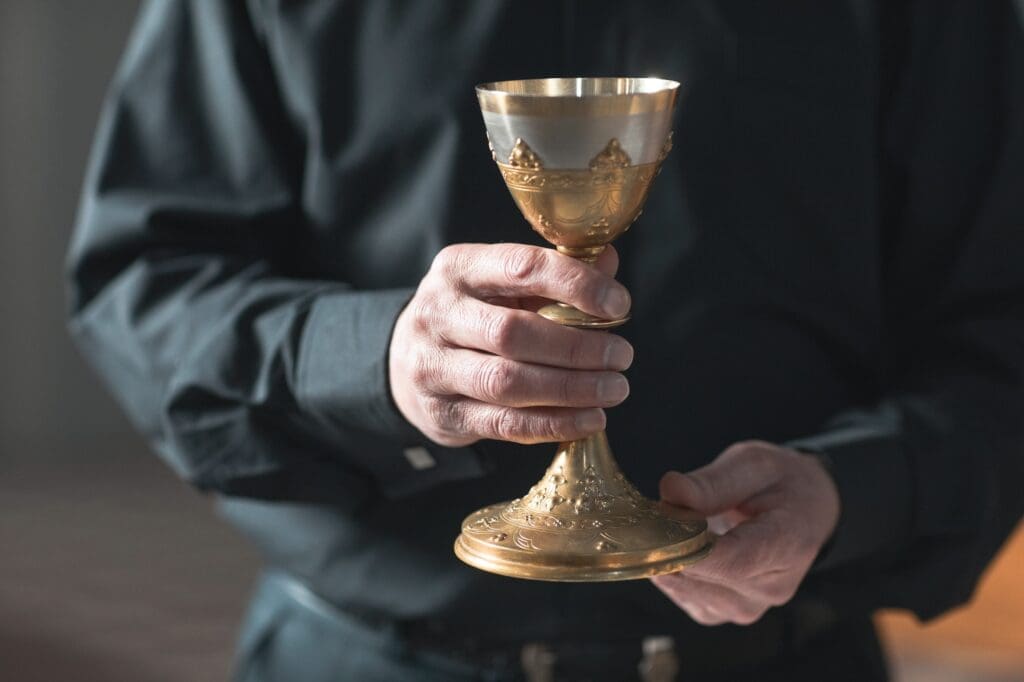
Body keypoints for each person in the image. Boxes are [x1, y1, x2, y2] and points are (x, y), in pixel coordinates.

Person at [67, 1, 1024, 680]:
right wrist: (377, 360)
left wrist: (852, 488)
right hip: (365, 655)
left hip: (785, 656)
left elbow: (1000, 320)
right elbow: (147, 283)